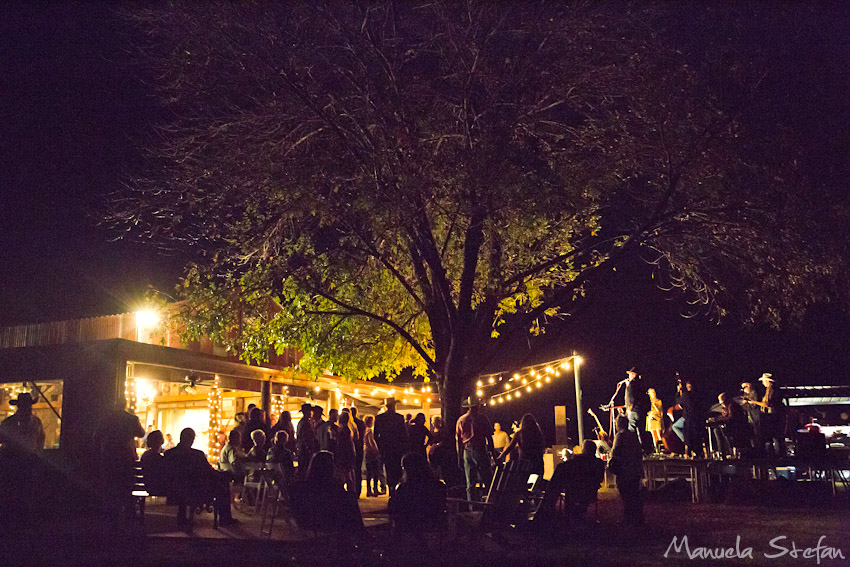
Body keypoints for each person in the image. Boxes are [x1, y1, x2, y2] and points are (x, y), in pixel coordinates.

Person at [163, 428, 238, 527]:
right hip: (196, 489)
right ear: (191, 439)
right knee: (223, 483)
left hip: (174, 489)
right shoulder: (197, 455)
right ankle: (225, 518)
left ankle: (182, 517)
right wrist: (222, 475)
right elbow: (209, 471)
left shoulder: (169, 454)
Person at [93, 400, 145, 521]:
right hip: (126, 457)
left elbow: (96, 436)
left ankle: (111, 513)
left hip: (108, 457)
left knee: (110, 486)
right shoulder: (132, 419)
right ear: (125, 405)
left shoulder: (106, 419)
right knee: (126, 485)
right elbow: (141, 433)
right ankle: (129, 512)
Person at [289, 451, 364, 534]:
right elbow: (339, 503)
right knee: (351, 500)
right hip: (328, 520)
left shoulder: (306, 485)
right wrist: (350, 488)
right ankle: (361, 534)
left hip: (309, 521)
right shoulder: (331, 485)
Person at [537, 439, 605, 525]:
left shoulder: (577, 462)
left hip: (574, 490)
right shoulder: (598, 463)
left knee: (559, 479)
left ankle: (547, 510)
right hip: (590, 491)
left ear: (585, 450)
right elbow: (599, 479)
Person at [388, 452, 447, 532]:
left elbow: (397, 510)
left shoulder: (403, 488)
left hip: (411, 526)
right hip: (433, 525)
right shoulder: (438, 485)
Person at [455, 396, 494, 503]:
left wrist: (459, 457)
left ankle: (472, 506)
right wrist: (494, 455)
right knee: (488, 478)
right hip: (480, 449)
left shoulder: (461, 420)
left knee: (470, 482)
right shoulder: (482, 418)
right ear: (477, 406)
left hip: (467, 451)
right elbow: (489, 438)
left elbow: (458, 441)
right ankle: (491, 503)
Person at [609, 415, 643, 524]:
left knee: (626, 496)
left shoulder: (620, 436)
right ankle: (637, 517)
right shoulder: (633, 436)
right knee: (634, 494)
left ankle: (628, 518)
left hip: (624, 470)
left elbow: (615, 452)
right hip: (634, 470)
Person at [374, 397, 408, 496]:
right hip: (396, 448)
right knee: (397, 469)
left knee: (389, 470)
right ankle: (396, 490)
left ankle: (392, 490)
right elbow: (404, 435)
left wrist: (380, 446)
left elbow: (376, 435)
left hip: (387, 448)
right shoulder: (399, 417)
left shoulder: (380, 418)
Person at [707, 393, 749, 458]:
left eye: (722, 402)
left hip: (736, 426)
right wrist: (716, 418)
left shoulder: (732, 405)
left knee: (721, 431)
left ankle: (728, 451)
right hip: (730, 425)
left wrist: (719, 419)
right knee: (716, 430)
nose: (721, 404)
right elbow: (724, 415)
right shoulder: (726, 406)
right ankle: (721, 451)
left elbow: (731, 417)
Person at [363, 415, 387, 497]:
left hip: (367, 452)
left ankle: (368, 490)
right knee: (375, 471)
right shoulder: (370, 431)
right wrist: (376, 451)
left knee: (369, 473)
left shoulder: (364, 430)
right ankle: (375, 489)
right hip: (372, 453)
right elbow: (371, 442)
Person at [336, 411, 358, 494]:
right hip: (350, 453)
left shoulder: (343, 430)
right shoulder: (349, 428)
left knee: (345, 473)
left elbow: (342, 443)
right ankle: (351, 490)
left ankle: (349, 491)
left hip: (344, 454)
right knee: (349, 472)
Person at [139, 430, 167, 496]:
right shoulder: (159, 458)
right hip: (157, 487)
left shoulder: (145, 455)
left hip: (147, 484)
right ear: (161, 441)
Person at [740, 382, 763, 453]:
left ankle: (760, 451)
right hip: (750, 416)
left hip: (756, 416)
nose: (743, 390)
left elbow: (753, 405)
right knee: (752, 434)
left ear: (749, 385)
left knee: (757, 434)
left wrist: (742, 406)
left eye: (744, 387)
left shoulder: (754, 393)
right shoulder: (746, 394)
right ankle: (755, 450)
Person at [624, 368, 644, 447]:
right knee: (639, 430)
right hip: (639, 410)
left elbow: (631, 398)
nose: (628, 376)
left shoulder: (632, 384)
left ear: (633, 375)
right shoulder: (639, 383)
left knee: (631, 431)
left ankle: (633, 448)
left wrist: (629, 409)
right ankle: (642, 448)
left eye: (630, 374)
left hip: (633, 410)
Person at [296, 403, 317, 478]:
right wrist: (309, 449)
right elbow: (306, 438)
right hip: (305, 451)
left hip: (302, 450)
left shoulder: (302, 422)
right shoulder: (305, 423)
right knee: (305, 470)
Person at [349, 406, 367, 498]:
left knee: (350, 470)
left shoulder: (349, 424)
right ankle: (358, 490)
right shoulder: (361, 423)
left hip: (351, 449)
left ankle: (352, 490)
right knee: (358, 470)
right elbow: (362, 436)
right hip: (359, 448)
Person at [645, 388, 664, 453]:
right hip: (651, 418)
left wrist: (654, 405)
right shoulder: (647, 402)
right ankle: (656, 450)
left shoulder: (659, 401)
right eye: (652, 392)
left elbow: (660, 411)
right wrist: (649, 415)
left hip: (657, 418)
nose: (653, 393)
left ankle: (662, 449)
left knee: (659, 434)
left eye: (654, 392)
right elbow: (646, 411)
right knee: (654, 434)